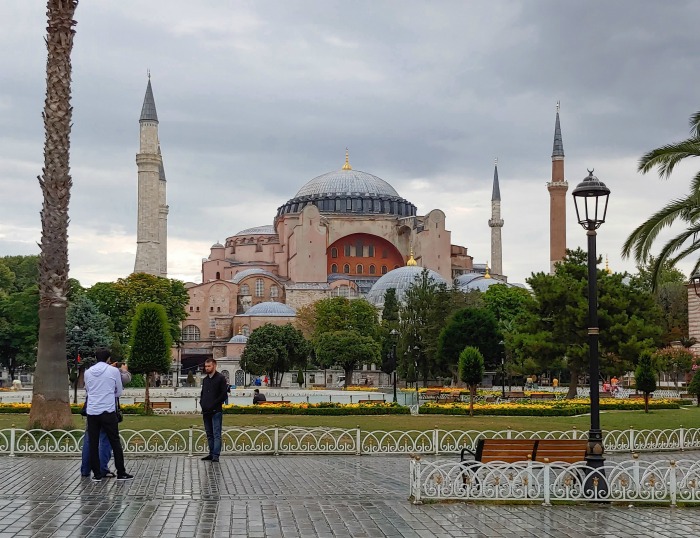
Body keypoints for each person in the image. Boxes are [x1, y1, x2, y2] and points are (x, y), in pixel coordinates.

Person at [84, 348, 133, 482]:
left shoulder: (88, 372)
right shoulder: (113, 371)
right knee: (115, 441)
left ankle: (97, 474)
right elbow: (118, 391)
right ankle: (121, 472)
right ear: (108, 359)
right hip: (108, 410)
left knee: (93, 443)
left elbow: (88, 390)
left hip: (92, 411)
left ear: (95, 358)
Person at [200, 358, 228, 462]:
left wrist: (214, 404)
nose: (207, 368)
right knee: (209, 434)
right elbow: (203, 394)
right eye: (206, 366)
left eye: (209, 366)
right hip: (206, 410)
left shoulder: (220, 378)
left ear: (214, 366)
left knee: (216, 433)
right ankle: (211, 453)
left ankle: (216, 455)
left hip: (216, 411)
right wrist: (202, 403)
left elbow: (223, 394)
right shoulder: (206, 380)